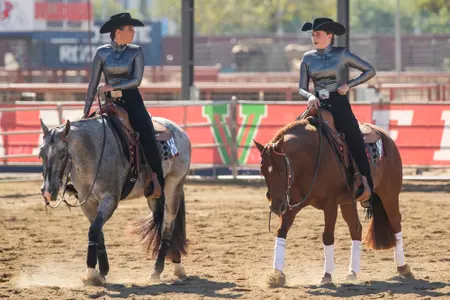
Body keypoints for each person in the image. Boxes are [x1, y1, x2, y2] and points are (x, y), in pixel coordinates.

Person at [83, 12, 164, 201]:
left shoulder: (136, 51)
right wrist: (86, 111)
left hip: (132, 101)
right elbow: (92, 84)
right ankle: (78, 181)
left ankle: (157, 180)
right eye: (130, 29)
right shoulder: (102, 52)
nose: (133, 32)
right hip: (108, 102)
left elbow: (137, 80)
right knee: (86, 137)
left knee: (146, 133)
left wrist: (113, 86)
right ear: (118, 31)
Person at [298, 17, 376, 207]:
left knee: (355, 138)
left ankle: (367, 187)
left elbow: (369, 70)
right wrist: (308, 96)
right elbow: (301, 88)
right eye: (313, 35)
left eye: (318, 35)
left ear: (329, 36)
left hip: (338, 103)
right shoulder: (307, 58)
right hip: (317, 104)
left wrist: (348, 85)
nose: (314, 38)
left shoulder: (342, 54)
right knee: (295, 134)